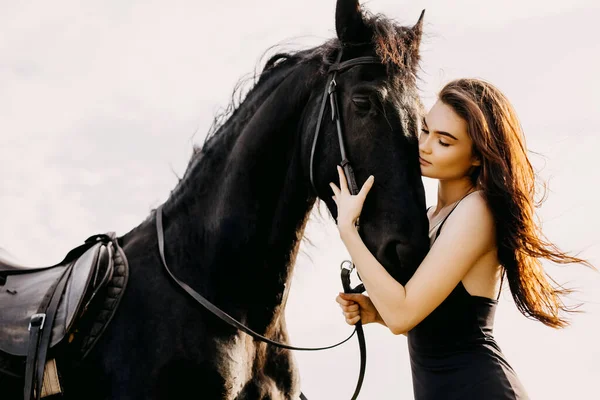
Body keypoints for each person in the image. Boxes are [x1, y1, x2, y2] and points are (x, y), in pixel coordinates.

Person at [330, 78, 591, 399]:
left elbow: (403, 314)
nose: (424, 145)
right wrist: (376, 313)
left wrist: (348, 231)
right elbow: (431, 320)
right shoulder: (430, 217)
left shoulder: (477, 210)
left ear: (477, 156)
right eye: (425, 130)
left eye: (445, 141)